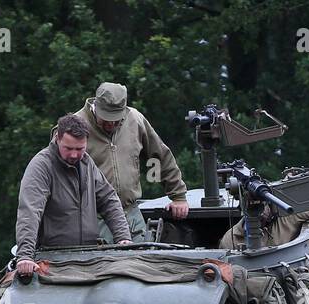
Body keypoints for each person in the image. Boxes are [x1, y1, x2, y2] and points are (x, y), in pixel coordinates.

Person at [15, 114, 132, 279]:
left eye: (80, 149)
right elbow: (30, 211)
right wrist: (25, 256)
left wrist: (123, 238)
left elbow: (108, 199)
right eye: (68, 148)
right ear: (58, 138)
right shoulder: (41, 166)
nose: (74, 155)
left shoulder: (86, 163)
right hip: (54, 259)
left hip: (90, 258)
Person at [74, 82, 190, 243]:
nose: (110, 124)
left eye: (116, 120)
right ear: (96, 107)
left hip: (131, 214)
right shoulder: (75, 126)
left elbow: (156, 157)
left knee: (143, 264)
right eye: (106, 119)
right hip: (93, 217)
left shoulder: (135, 120)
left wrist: (177, 195)